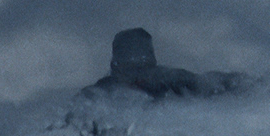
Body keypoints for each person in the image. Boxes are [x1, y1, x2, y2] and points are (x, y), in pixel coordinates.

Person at [83, 28, 246, 98]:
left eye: (143, 69)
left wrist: (241, 83)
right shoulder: (101, 93)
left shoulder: (168, 80)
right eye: (129, 70)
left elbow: (207, 83)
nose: (138, 78)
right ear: (117, 66)